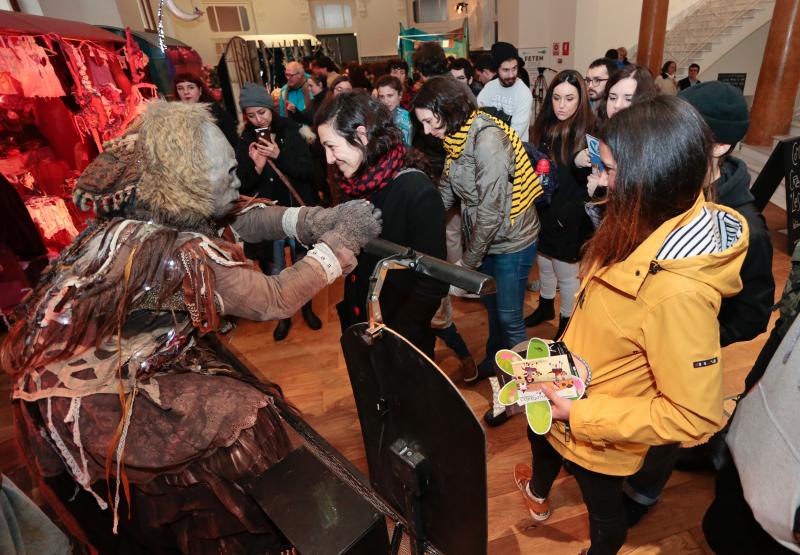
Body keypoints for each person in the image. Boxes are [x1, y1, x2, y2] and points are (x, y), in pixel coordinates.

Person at [1, 100, 380, 554]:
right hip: (83, 389)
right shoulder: (169, 250)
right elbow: (273, 299)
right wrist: (339, 244)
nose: (238, 178)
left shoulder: (158, 206)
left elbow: (241, 216)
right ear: (188, 182)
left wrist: (315, 221)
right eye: (227, 173)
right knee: (240, 434)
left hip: (120, 356)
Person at [513, 95, 748, 555]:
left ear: (651, 177)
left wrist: (579, 414)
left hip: (598, 425)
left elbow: (695, 415)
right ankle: (538, 493)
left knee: (602, 509)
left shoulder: (679, 293)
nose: (599, 179)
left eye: (608, 169)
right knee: (536, 434)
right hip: (569, 376)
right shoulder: (638, 221)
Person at [622, 81, 775, 526]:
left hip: (686, 350)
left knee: (669, 421)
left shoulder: (747, 228)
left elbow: (753, 315)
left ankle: (643, 492)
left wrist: (693, 337)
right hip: (642, 334)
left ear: (719, 146)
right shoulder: (674, 185)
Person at [413, 76, 542, 401]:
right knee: (493, 309)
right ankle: (495, 363)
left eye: (429, 121)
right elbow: (448, 186)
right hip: (486, 239)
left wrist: (467, 265)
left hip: (512, 241)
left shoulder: (487, 140)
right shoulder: (457, 136)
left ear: (448, 110)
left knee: (510, 318)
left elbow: (490, 212)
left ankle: (528, 392)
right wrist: (425, 221)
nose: (426, 131)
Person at [316, 91, 448, 358]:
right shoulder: (354, 182)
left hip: (400, 337)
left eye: (332, 146)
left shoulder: (416, 191)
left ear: (362, 136)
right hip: (363, 321)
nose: (328, 159)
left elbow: (433, 282)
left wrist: (396, 336)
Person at [235, 83, 320, 341]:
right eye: (251, 115)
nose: (258, 119)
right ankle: (284, 315)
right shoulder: (245, 139)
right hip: (266, 218)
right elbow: (242, 184)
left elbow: (309, 171)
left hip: (295, 212)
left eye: (262, 112)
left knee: (303, 265)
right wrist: (258, 167)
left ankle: (307, 308)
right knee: (275, 269)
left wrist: (278, 154)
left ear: (270, 109)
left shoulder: (291, 129)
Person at [524, 70, 596, 340]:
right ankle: (545, 307)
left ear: (581, 100)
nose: (561, 105)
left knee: (566, 273)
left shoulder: (587, 132)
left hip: (571, 213)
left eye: (569, 98)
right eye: (556, 98)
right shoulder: (546, 126)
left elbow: (585, 170)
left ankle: (567, 324)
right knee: (544, 263)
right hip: (545, 208)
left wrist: (580, 160)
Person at [477, 42, 533, 141]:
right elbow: (479, 120)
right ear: (497, 69)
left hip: (515, 149)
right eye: (506, 70)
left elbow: (514, 134)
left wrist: (491, 117)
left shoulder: (524, 94)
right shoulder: (489, 88)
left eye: (514, 68)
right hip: (488, 145)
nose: (511, 75)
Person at [173, 72, 238, 147]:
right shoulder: (173, 119)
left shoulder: (216, 114)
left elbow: (233, 142)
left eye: (191, 87)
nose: (186, 92)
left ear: (200, 90)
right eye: (180, 88)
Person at [375, 74, 412, 146]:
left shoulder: (408, 118)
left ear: (400, 95)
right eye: (382, 97)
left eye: (390, 96)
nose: (385, 101)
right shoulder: (376, 117)